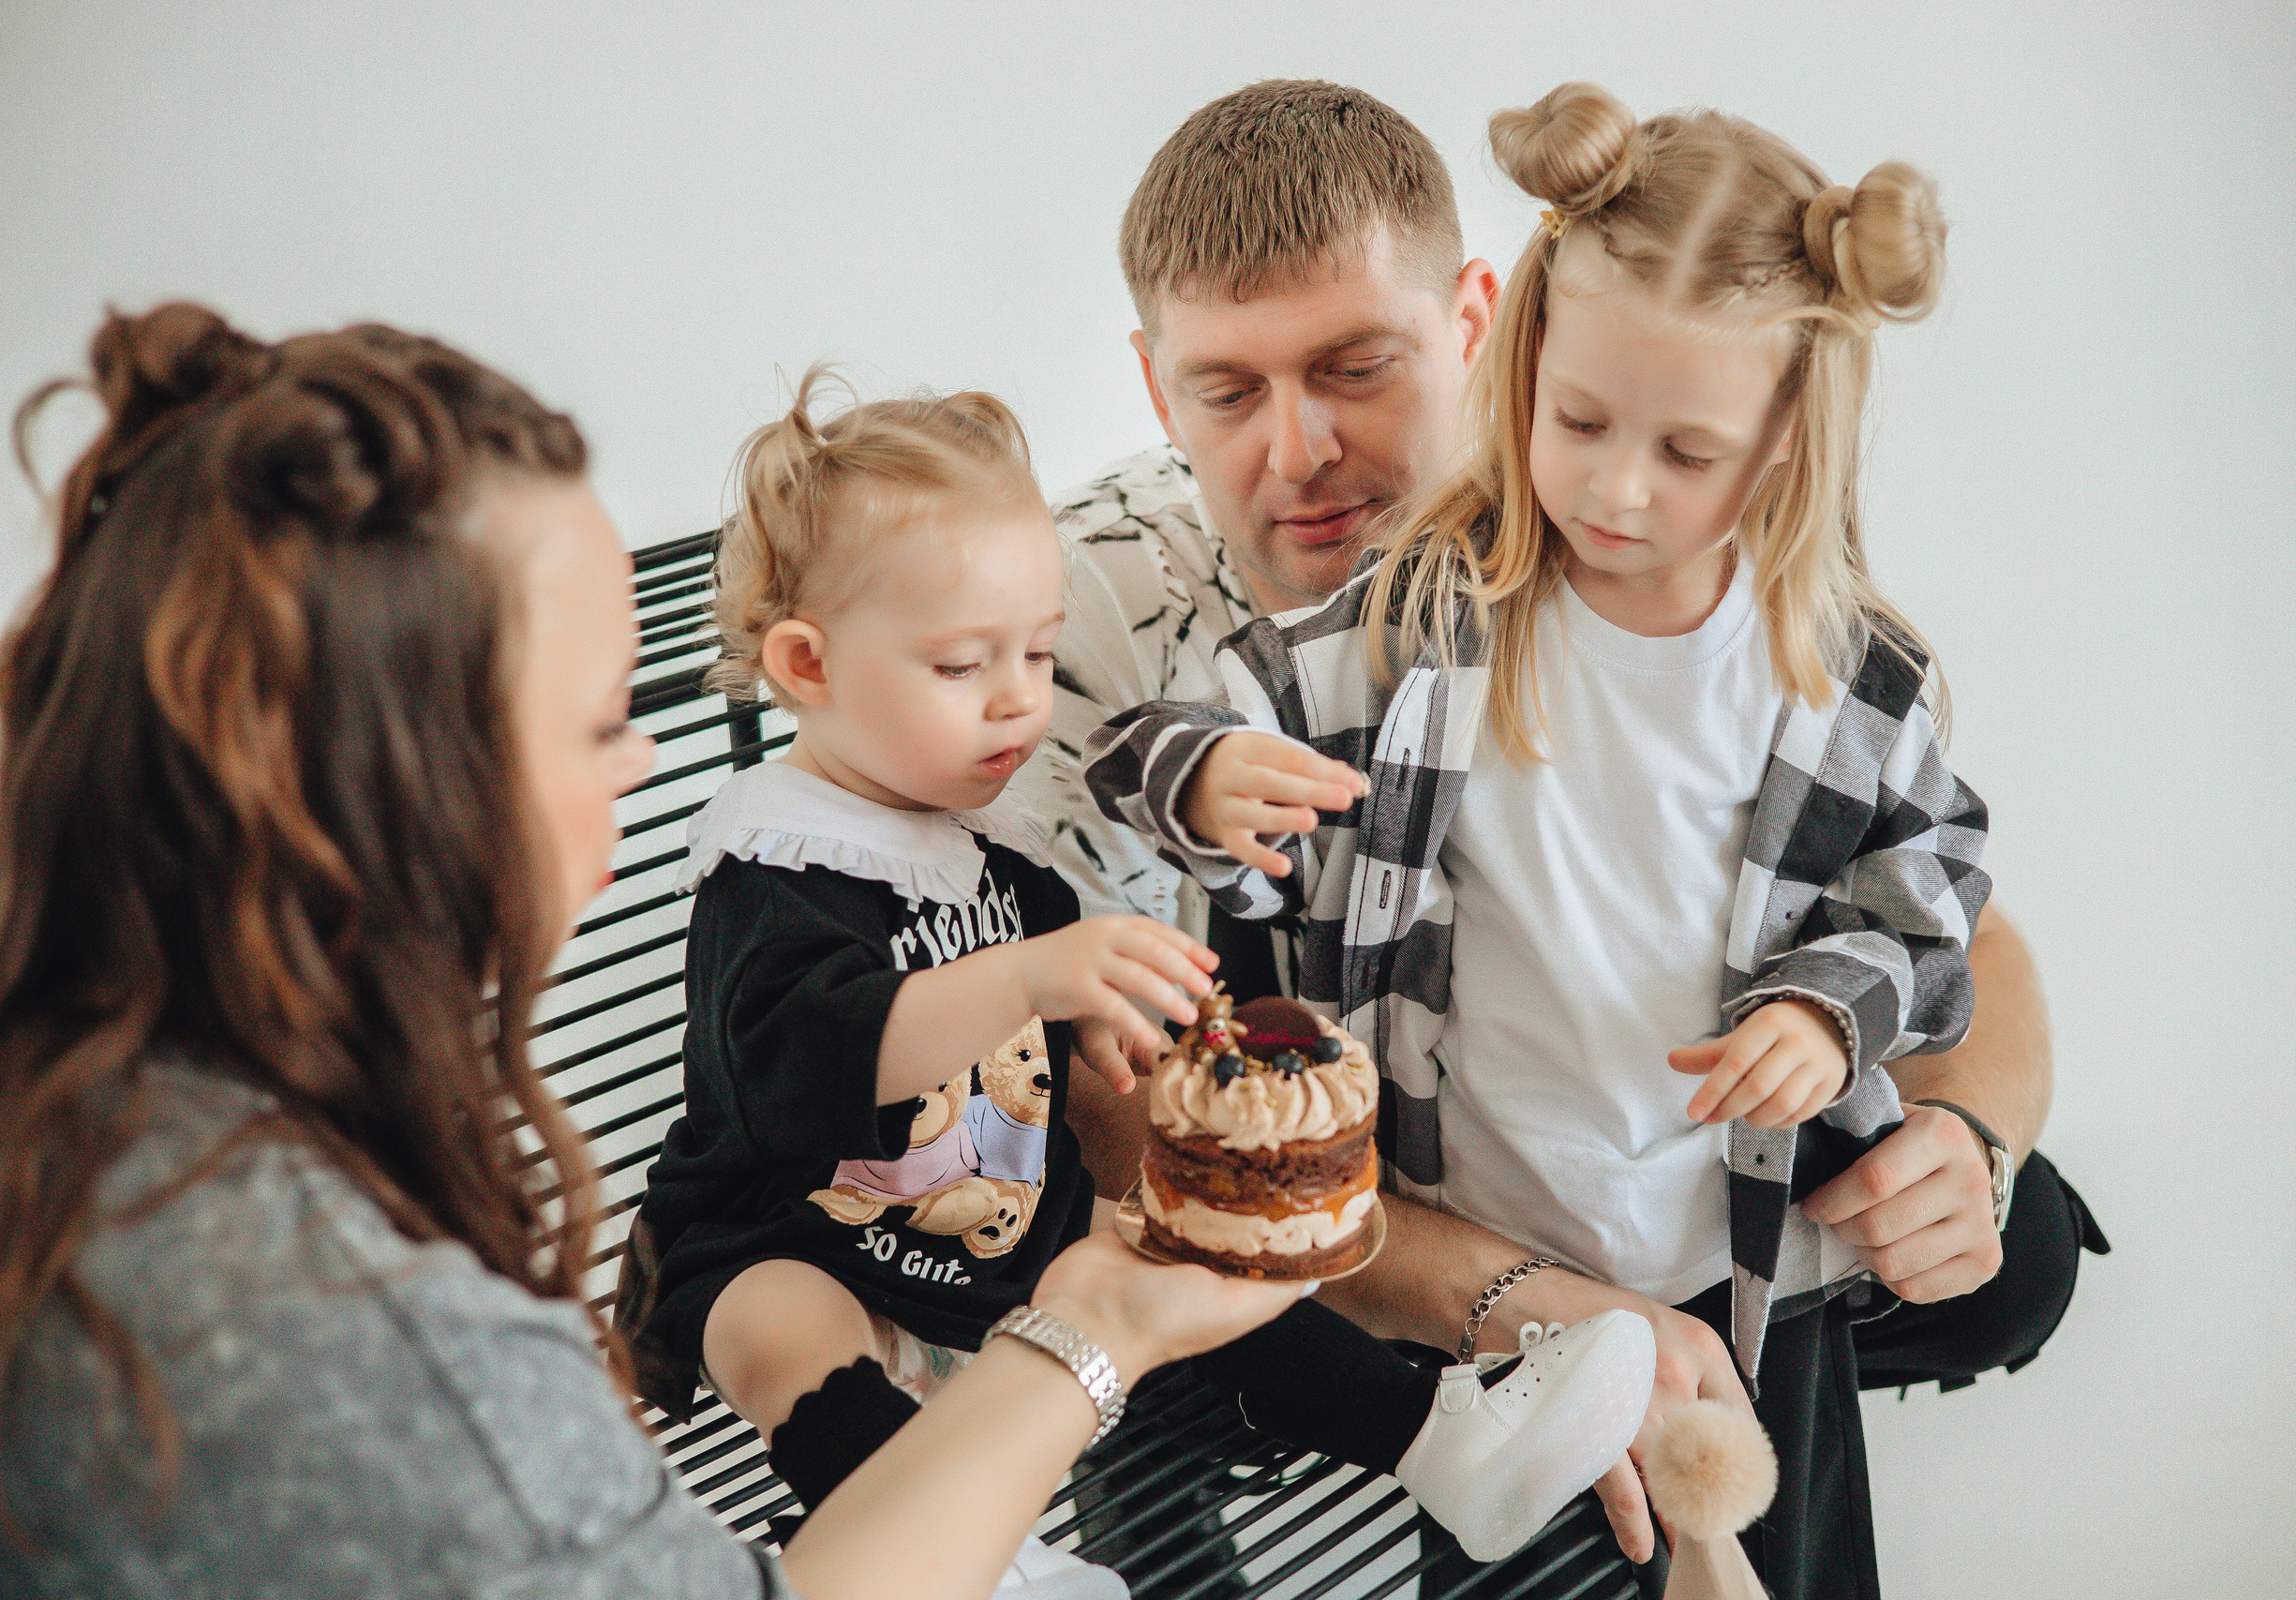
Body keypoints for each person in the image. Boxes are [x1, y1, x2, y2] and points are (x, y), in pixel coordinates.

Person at [0, 302, 1317, 1600]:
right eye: (590, 726)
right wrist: (1099, 1329)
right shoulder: (337, 1331)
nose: (639, 763)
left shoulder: (114, 1106)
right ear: (378, 790)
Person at [1028, 78, 2104, 1579]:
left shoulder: (1741, 590)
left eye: (1356, 366)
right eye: (1228, 391)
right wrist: (1539, 1304)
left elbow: (1945, 906)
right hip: (1348, 1204)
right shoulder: (1089, 622)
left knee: (2009, 1250)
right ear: (1158, 390)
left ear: (1480, 325)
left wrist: (1959, 1132)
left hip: (1688, 1174)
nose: (1303, 450)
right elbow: (1113, 1129)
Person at [614, 366, 1658, 1572]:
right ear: (807, 666)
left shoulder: (978, 843)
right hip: (782, 1230)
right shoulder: (777, 863)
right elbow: (800, 1067)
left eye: (1038, 652)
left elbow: (1059, 1023)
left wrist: (1102, 1027)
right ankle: (972, 1562)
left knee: (1174, 1248)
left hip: (996, 1236)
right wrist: (1032, 981)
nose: (1017, 702)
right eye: (962, 667)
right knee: (779, 1330)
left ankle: (1440, 1437)